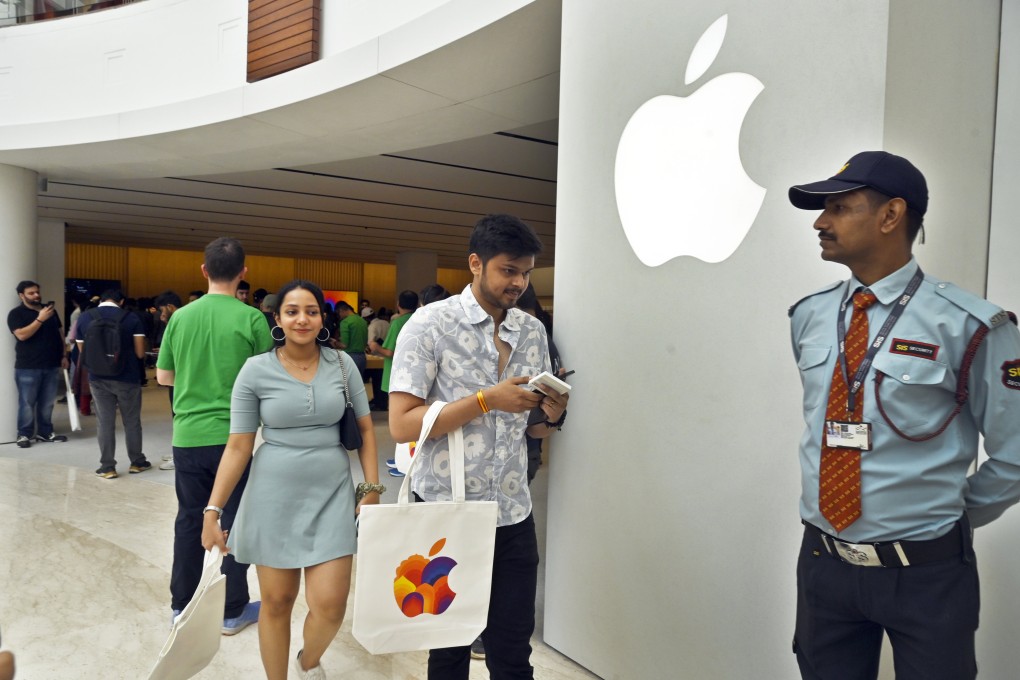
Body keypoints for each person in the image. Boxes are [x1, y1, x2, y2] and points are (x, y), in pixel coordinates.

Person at [787, 151, 1020, 680]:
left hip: (927, 575)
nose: (821, 222)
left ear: (892, 216)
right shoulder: (809, 315)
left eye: (839, 207)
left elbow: (1015, 453)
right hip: (824, 562)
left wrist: (946, 522)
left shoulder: (972, 325)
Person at [389, 214, 570, 679]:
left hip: (513, 512)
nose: (519, 283)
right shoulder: (429, 325)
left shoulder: (531, 331)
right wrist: (487, 400)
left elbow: (530, 428)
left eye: (526, 273)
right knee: (448, 650)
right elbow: (403, 425)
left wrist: (550, 414)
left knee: (512, 650)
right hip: (447, 513)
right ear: (475, 263)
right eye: (508, 270)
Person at [202, 280, 381, 680]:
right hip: (273, 493)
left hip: (332, 490)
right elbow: (237, 446)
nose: (303, 319)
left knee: (331, 605)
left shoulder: (341, 364)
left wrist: (370, 488)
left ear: (322, 318)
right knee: (277, 602)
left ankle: (308, 662)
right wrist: (213, 509)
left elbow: (367, 432)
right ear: (278, 319)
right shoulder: (256, 370)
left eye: (312, 311)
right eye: (293, 311)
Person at [156, 237, 274, 635]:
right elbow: (266, 378)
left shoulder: (180, 318)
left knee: (190, 519)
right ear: (244, 272)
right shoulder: (253, 319)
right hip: (235, 440)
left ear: (203, 270)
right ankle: (231, 610)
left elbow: (163, 376)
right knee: (235, 522)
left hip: (187, 435)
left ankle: (181, 607)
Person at [75, 289, 151, 479]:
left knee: (105, 422)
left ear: (100, 300)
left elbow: (83, 350)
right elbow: (140, 353)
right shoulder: (131, 318)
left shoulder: (85, 318)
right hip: (127, 377)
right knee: (131, 421)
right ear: (121, 301)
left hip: (98, 378)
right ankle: (137, 462)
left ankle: (107, 466)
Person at [7, 280, 69, 448]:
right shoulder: (16, 314)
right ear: (22, 295)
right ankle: (24, 434)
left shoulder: (50, 311)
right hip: (28, 366)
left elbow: (60, 334)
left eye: (37, 292)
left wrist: (64, 354)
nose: (36, 295)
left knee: (48, 402)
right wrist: (40, 319)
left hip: (51, 364)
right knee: (27, 402)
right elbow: (21, 335)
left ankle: (45, 432)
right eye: (31, 293)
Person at [368, 290, 418, 416]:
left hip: (397, 371)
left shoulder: (397, 322)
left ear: (398, 304)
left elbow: (390, 352)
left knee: (397, 410)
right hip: (416, 369)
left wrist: (375, 346)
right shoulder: (419, 319)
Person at [153, 290, 183, 471]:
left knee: (178, 416)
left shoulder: (177, 322)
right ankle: (177, 452)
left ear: (171, 307)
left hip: (178, 377)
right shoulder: (186, 319)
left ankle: (179, 456)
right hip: (182, 376)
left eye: (162, 310)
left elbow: (163, 374)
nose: (161, 314)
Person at [335, 301, 368, 380]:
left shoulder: (345, 322)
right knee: (358, 386)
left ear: (341, 310)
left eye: (338, 313)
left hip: (350, 357)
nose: (339, 316)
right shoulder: (362, 321)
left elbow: (344, 345)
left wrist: (335, 343)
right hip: (362, 357)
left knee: (347, 387)